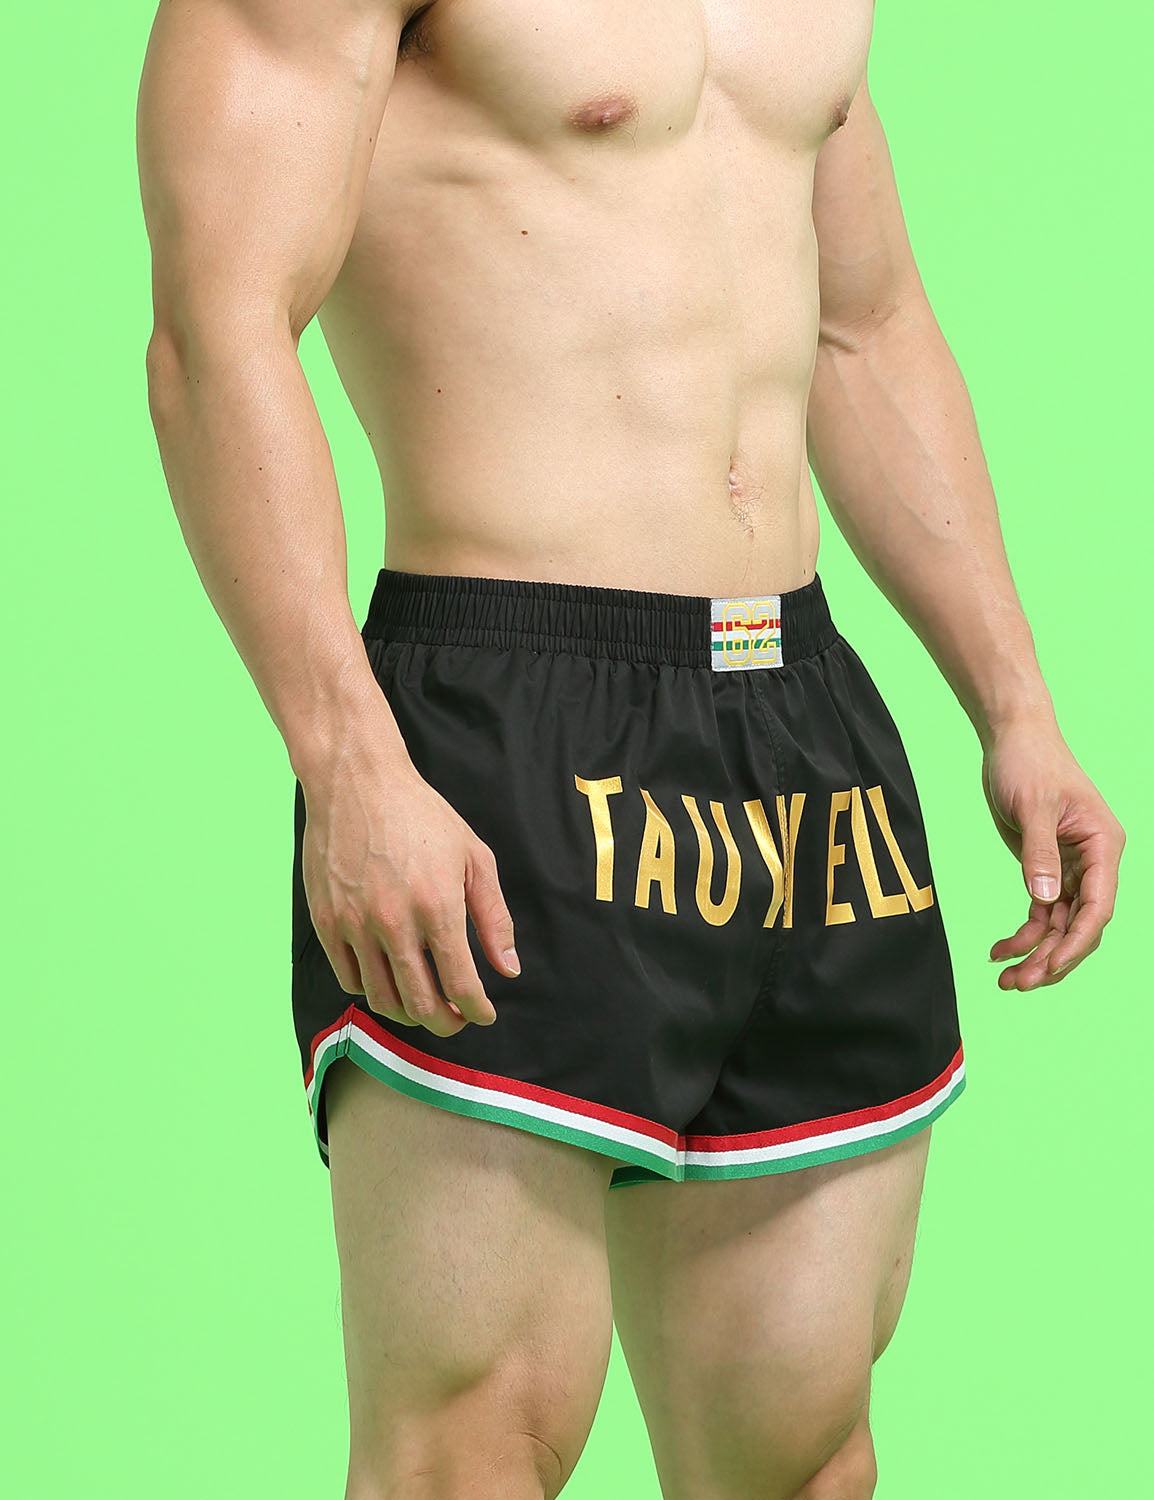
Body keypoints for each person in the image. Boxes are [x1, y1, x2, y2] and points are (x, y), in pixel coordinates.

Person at [136, 1, 1125, 1496]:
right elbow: (219, 323)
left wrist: (1017, 705)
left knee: (802, 1457)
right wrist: (349, 759)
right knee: (469, 1449)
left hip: (799, 720)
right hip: (506, 710)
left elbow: (865, 325)